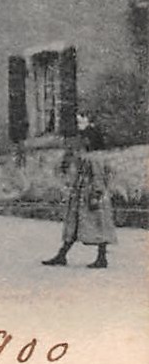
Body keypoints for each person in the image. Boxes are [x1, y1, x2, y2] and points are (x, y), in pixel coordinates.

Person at [43, 114, 116, 270]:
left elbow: (98, 178)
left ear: (90, 141)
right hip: (82, 195)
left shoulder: (93, 159)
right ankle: (62, 254)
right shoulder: (87, 157)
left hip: (91, 195)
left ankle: (101, 257)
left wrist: (96, 195)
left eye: (85, 139)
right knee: (76, 225)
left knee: (97, 225)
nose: (82, 141)